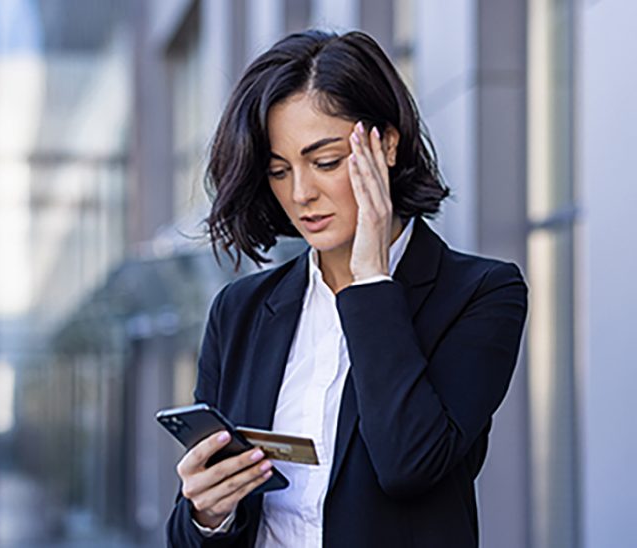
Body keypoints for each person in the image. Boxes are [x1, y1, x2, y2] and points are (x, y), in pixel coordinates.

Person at [166, 29, 528, 548]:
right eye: (278, 170)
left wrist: (371, 282)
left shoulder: (482, 294)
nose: (301, 193)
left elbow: (410, 463)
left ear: (386, 145)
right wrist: (208, 513)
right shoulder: (240, 310)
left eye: (326, 161)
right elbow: (187, 533)